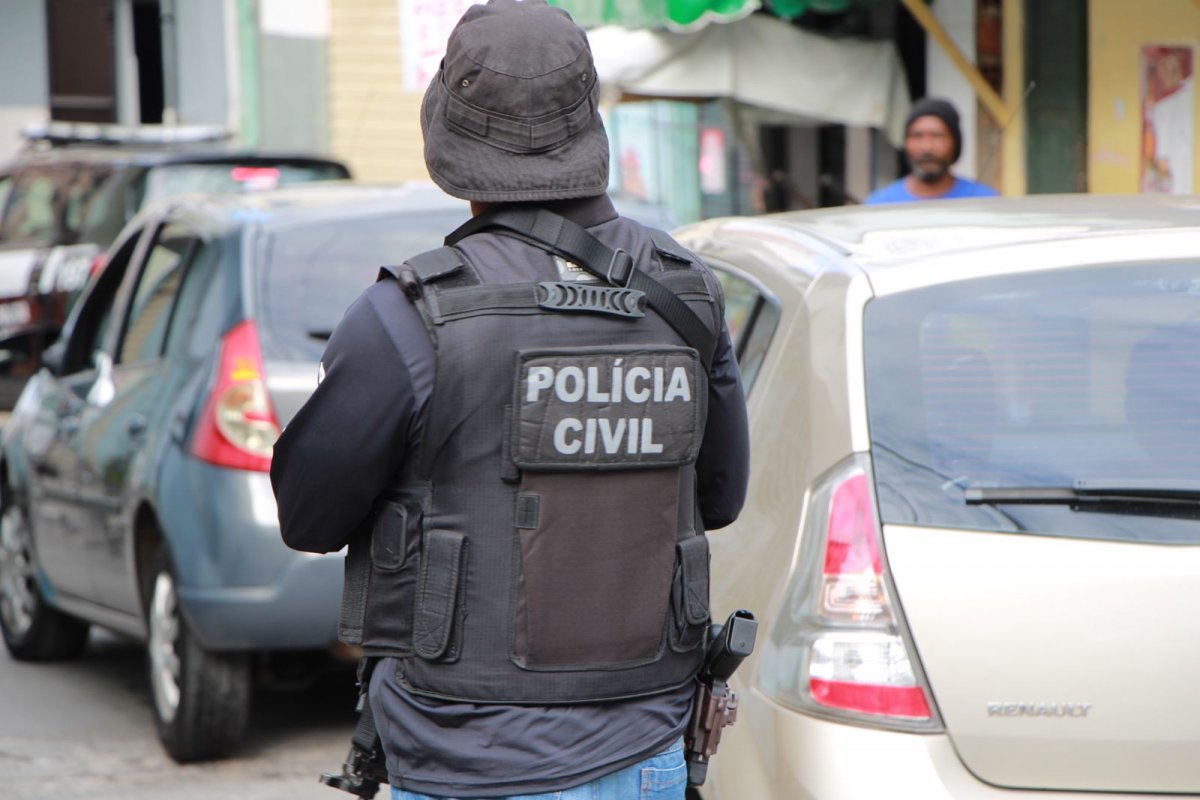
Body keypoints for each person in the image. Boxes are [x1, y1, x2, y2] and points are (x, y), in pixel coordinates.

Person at [269, 2, 751, 798]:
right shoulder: (687, 295)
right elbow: (721, 498)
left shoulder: (406, 315)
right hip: (647, 753)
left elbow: (308, 519)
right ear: (587, 124)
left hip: (465, 763)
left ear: (451, 138)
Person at [865, 97, 999, 204]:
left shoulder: (985, 202)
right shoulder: (880, 205)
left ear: (955, 143)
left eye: (937, 136)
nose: (927, 147)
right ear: (905, 143)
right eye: (917, 136)